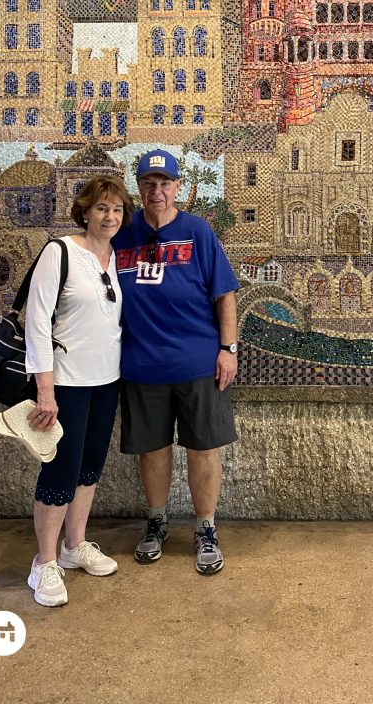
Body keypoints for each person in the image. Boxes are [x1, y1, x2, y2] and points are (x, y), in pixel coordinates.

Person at [113, 148, 239, 575]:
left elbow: (225, 294)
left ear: (177, 187)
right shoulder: (121, 235)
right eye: (149, 183)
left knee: (204, 448)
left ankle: (205, 528)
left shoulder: (197, 232)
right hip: (141, 364)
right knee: (151, 450)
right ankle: (157, 521)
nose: (157, 191)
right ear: (139, 187)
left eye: (165, 183)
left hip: (198, 364)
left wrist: (229, 349)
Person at [24, 175, 133, 607]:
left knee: (89, 466)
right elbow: (37, 321)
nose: (109, 217)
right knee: (61, 469)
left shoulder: (115, 257)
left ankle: (75, 546)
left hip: (107, 379)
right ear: (85, 211)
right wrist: (45, 390)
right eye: (102, 208)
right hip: (66, 383)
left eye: (117, 210)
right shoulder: (60, 252)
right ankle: (44, 563)